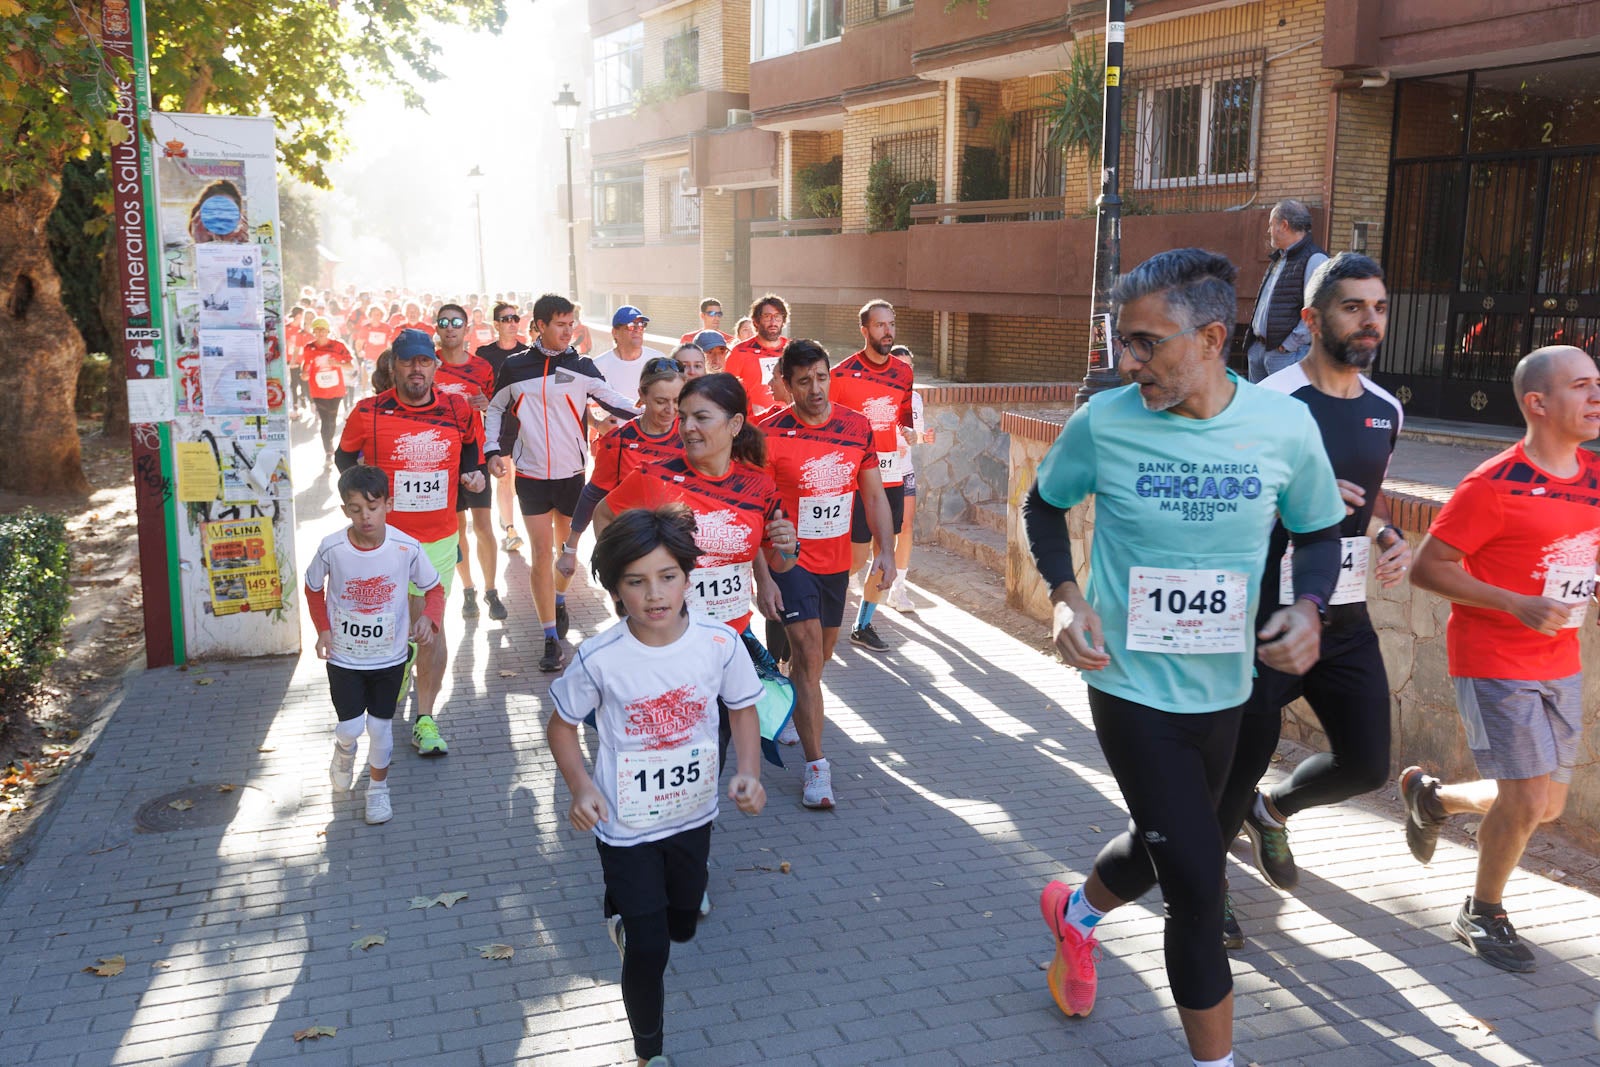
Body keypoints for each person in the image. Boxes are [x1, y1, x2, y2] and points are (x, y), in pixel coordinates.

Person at [1022, 248, 1344, 1067]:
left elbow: (1316, 529)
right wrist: (1067, 595)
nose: (1127, 362)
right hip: (1129, 689)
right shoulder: (1107, 420)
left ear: (1211, 336)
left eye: (1144, 342)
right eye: (1122, 341)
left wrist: (1308, 605)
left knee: (1168, 839)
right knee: (1199, 891)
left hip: (1229, 692)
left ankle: (1076, 910)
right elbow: (1044, 504)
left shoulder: (1282, 426)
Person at [1213, 254, 1410, 947]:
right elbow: (1228, 505)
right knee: (1240, 757)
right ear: (1312, 319)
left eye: (1379, 306)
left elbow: (1368, 492)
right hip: (1274, 608)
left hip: (1345, 609)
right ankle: (1207, 890)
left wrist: (1387, 531)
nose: (1370, 320)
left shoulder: (1386, 410)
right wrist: (1301, 493)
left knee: (1366, 761)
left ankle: (1273, 810)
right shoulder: (1272, 401)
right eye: (1353, 306)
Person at [1397, 344, 1600, 974]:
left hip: (1559, 656)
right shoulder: (1492, 483)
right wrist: (1515, 603)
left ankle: (1434, 800)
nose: (1596, 396)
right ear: (1538, 403)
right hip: (1492, 658)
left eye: (1598, 384)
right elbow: (1428, 568)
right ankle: (1482, 910)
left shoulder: (1595, 478)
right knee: (1524, 798)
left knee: (1547, 806)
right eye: (1581, 386)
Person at [547, 504, 766, 1067]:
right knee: (650, 949)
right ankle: (650, 1054)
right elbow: (562, 726)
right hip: (624, 826)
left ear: (689, 575)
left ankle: (635, 923)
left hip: (693, 816)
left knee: (682, 926)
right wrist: (579, 788)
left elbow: (742, 709)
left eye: (667, 576)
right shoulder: (599, 657)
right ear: (616, 590)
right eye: (636, 582)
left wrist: (748, 772)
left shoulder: (720, 644)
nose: (655, 594)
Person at [335, 328, 487, 759]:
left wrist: (472, 475)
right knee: (392, 625)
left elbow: (472, 451)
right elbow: (345, 457)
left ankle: (424, 718)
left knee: (429, 627)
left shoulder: (458, 408)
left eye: (424, 361)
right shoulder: (369, 412)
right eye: (407, 362)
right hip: (383, 541)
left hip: (437, 538)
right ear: (393, 366)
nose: (416, 369)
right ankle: (396, 675)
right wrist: (360, 499)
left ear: (435, 365)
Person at [756, 340, 896, 808]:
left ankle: (788, 696)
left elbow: (874, 495)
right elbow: (752, 506)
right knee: (809, 652)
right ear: (786, 384)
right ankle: (817, 770)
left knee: (819, 661)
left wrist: (886, 551)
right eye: (803, 381)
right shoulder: (768, 434)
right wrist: (763, 574)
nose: (815, 389)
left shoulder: (857, 428)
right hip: (789, 561)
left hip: (837, 564)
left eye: (821, 377)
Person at [484, 294, 642, 672]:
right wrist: (491, 449)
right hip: (532, 477)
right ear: (539, 326)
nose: (568, 331)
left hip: (572, 476)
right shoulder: (515, 367)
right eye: (560, 324)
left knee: (564, 558)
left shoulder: (582, 365)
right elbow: (494, 408)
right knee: (541, 555)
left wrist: (654, 413)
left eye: (572, 323)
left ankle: (557, 597)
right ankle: (550, 638)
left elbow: (614, 402)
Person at [305, 464, 445, 825]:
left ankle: (378, 792)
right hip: (345, 658)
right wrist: (323, 629)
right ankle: (343, 751)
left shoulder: (406, 547)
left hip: (390, 657)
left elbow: (434, 588)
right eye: (355, 509)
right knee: (351, 727)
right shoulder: (331, 547)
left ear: (388, 504)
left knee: (381, 728)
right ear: (344, 510)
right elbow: (312, 586)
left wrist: (429, 617)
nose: (365, 516)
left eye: (373, 506)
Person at [830, 300, 915, 652]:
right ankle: (822, 600)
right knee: (855, 558)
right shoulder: (842, 374)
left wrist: (908, 431)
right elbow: (827, 421)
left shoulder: (903, 372)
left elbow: (905, 414)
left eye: (891, 324)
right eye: (879, 325)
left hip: (891, 476)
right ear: (864, 330)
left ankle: (863, 625)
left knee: (887, 552)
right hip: (855, 481)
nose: (887, 331)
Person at [559, 358, 687, 573]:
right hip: (632, 545)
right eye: (661, 401)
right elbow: (593, 494)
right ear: (642, 395)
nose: (670, 409)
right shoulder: (619, 440)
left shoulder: (690, 436)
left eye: (677, 401)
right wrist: (571, 550)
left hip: (678, 546)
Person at [432, 303, 506, 622]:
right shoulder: (428, 365)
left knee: (484, 527)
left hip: (473, 455)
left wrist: (487, 405)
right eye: (444, 322)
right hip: (439, 459)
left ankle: (491, 590)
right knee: (457, 529)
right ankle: (468, 590)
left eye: (457, 322)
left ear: (467, 329)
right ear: (437, 328)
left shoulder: (481, 368)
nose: (450, 327)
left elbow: (497, 409)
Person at [1244, 199, 1327, 383]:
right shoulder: (1280, 257)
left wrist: (1288, 345)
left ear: (1284, 225)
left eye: (1271, 225)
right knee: (1257, 411)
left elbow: (1317, 312)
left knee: (1282, 409)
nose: (1268, 231)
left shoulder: (1315, 259)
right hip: (1259, 350)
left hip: (1285, 355)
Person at [477, 301, 530, 553]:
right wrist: (485, 404)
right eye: (505, 319)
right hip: (497, 426)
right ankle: (510, 529)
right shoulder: (484, 355)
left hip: (524, 426)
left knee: (521, 481)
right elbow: (475, 389)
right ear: (496, 324)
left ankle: (506, 514)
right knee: (504, 478)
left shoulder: (529, 354)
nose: (511, 323)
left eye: (514, 318)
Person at [885, 344, 934, 613]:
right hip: (877, 472)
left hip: (904, 470)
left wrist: (921, 438)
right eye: (899, 366)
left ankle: (898, 589)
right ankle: (858, 574)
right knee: (876, 531)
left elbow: (918, 435)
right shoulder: (879, 395)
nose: (905, 371)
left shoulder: (915, 399)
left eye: (909, 366)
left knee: (905, 527)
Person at [594, 306, 667, 429]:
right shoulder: (598, 365)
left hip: (652, 438)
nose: (637, 330)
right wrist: (598, 424)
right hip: (615, 441)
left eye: (641, 325)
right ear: (615, 332)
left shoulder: (659, 360)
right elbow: (581, 405)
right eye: (631, 326)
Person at [301, 317, 356, 467]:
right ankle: (328, 451)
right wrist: (304, 374)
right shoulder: (309, 348)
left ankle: (330, 443)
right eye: (317, 330)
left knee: (332, 420)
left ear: (328, 331)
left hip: (336, 389)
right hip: (318, 389)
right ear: (313, 331)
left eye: (323, 330)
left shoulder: (338, 346)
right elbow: (305, 366)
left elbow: (350, 366)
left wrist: (337, 363)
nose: (320, 333)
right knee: (326, 421)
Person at [725, 295, 789, 413]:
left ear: (783, 321)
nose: (773, 322)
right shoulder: (740, 351)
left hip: (786, 422)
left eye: (777, 317)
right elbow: (725, 390)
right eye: (767, 317)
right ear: (755, 322)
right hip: (754, 424)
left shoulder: (792, 350)